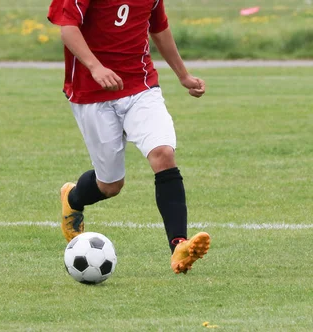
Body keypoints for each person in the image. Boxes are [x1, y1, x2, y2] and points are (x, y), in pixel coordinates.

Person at [47, 0, 211, 274]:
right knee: (110, 185)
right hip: (92, 93)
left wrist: (183, 75)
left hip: (141, 86)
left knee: (164, 154)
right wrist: (95, 67)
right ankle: (73, 199)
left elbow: (159, 27)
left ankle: (179, 246)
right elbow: (68, 28)